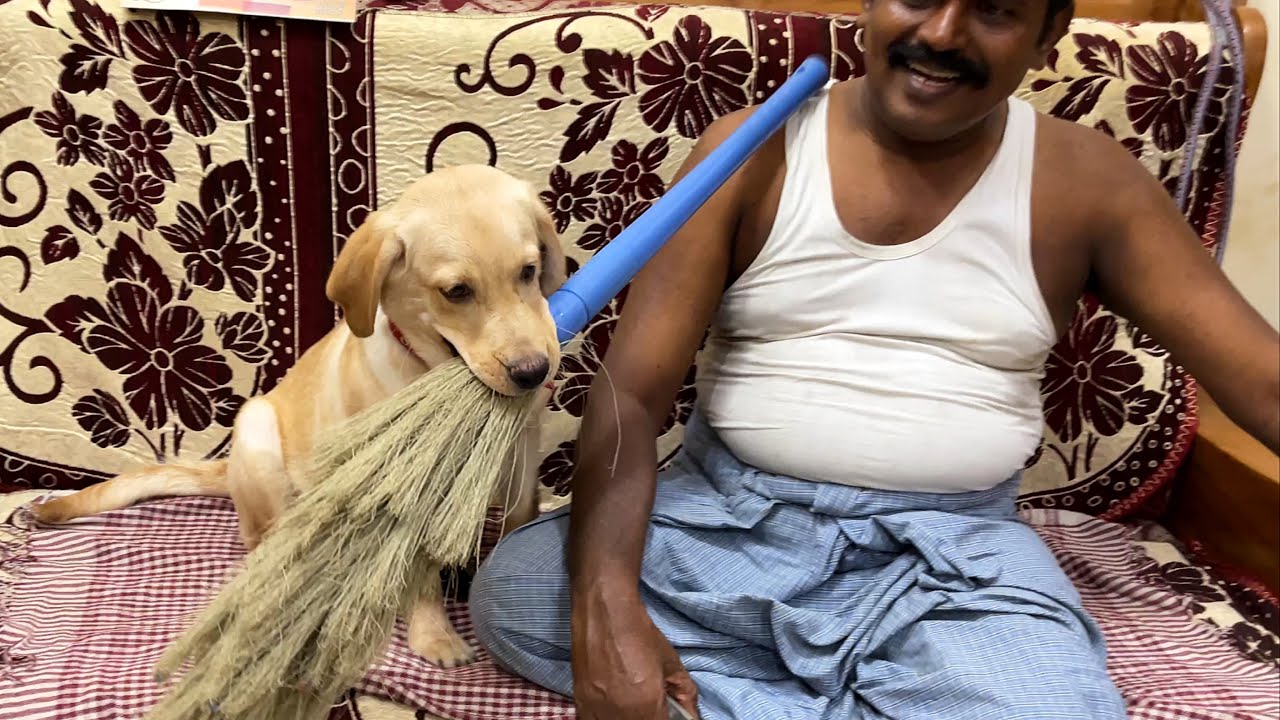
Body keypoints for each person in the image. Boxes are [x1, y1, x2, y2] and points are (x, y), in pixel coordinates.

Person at [470, 0, 1280, 717]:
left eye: (995, 11)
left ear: (1049, 34)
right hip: (723, 527)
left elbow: (1264, 382)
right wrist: (608, 604)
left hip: (944, 567)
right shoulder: (757, 150)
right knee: (521, 592)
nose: (941, 32)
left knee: (1049, 703)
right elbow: (632, 396)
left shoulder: (1090, 184)